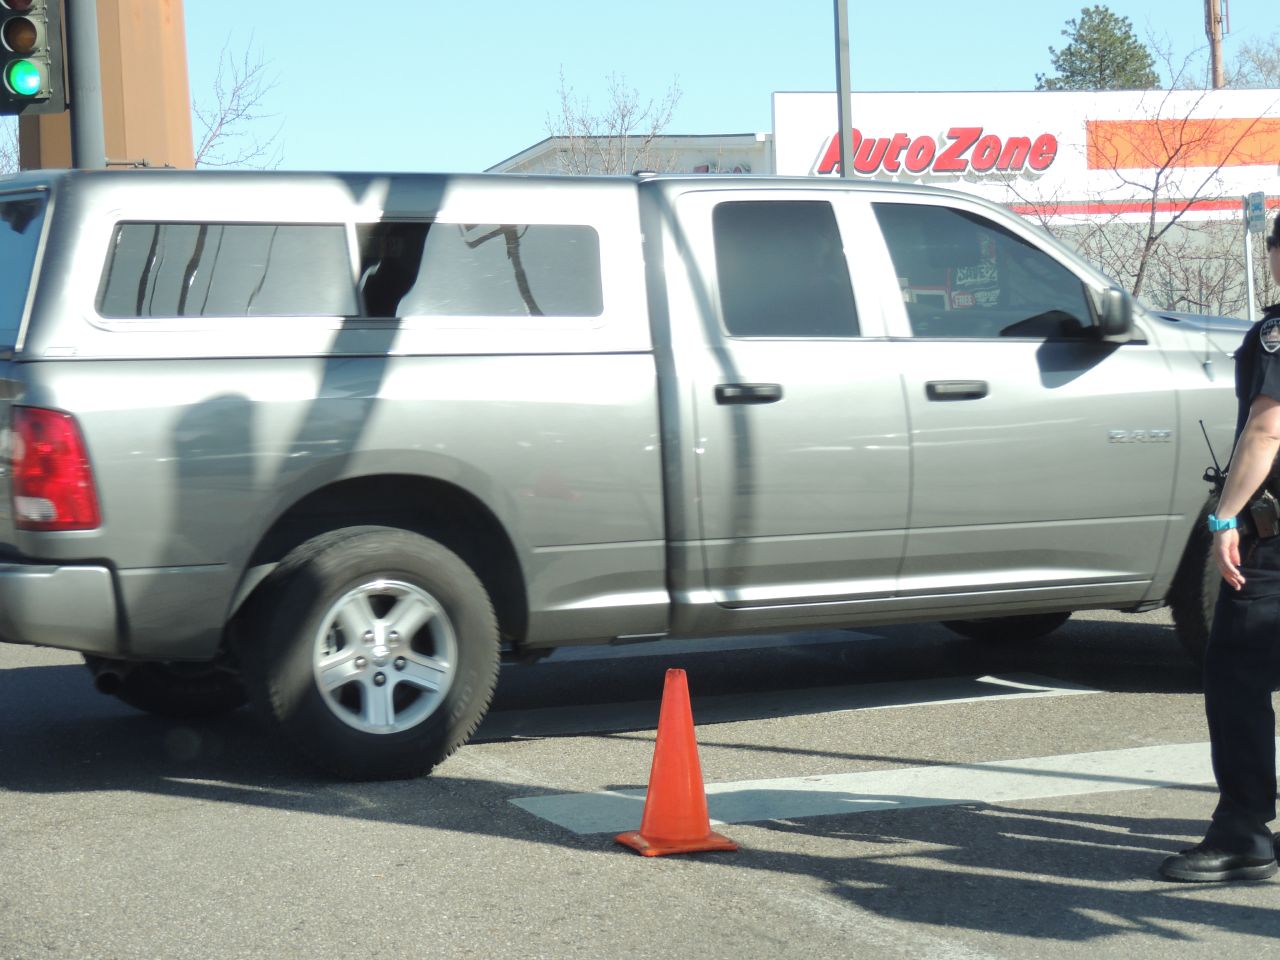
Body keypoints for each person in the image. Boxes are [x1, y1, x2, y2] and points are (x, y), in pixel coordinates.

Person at [1160, 213, 1280, 883]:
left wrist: (1225, 517)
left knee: (1235, 674)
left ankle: (1243, 829)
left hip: (1273, 544)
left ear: (1273, 255)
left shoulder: (1276, 334)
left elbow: (1267, 431)